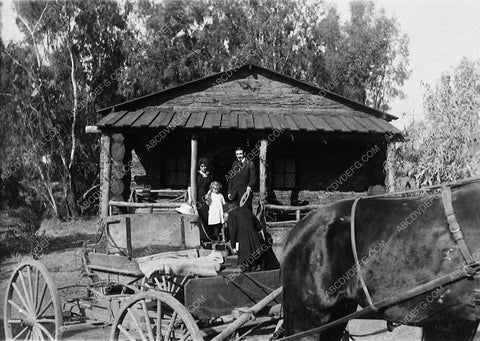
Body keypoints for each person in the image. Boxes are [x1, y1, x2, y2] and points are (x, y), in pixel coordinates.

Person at [223, 204, 279, 272]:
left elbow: (232, 231)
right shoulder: (247, 211)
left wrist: (233, 245)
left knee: (244, 263)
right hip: (254, 240)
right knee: (254, 260)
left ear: (226, 212)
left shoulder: (232, 214)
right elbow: (258, 226)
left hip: (243, 240)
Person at [227, 147, 256, 211]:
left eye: (240, 154)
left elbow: (253, 179)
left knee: (245, 212)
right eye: (237, 154)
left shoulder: (250, 164)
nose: (239, 156)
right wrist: (229, 191)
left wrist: (249, 188)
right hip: (235, 193)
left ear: (244, 154)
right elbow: (231, 178)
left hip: (245, 193)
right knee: (236, 212)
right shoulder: (234, 164)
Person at [196, 157, 212, 230]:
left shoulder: (209, 175)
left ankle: (206, 234)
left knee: (206, 213)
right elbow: (190, 186)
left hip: (206, 196)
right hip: (198, 195)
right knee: (198, 213)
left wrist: (208, 194)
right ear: (199, 167)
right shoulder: (196, 174)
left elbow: (211, 186)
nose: (203, 168)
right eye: (202, 166)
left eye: (205, 166)